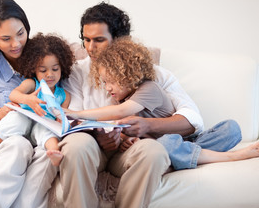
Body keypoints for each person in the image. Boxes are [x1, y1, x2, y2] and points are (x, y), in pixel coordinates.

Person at [59, 1, 242, 208]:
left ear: (120, 41)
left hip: (129, 149)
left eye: (99, 40)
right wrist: (98, 136)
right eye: (86, 40)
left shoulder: (150, 74)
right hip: (92, 146)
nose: (90, 48)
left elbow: (192, 119)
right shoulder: (77, 72)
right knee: (75, 146)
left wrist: (147, 126)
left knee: (156, 151)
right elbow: (74, 120)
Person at [67, 36, 259, 171]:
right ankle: (186, 157)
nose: (107, 88)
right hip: (164, 143)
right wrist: (129, 141)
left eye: (111, 81)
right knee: (164, 145)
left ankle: (228, 156)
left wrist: (76, 114)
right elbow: (142, 136)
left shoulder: (149, 89)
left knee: (231, 128)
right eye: (104, 82)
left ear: (129, 75)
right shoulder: (125, 97)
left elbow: (120, 112)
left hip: (185, 139)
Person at [0, 0, 57, 208]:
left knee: (48, 152)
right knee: (18, 146)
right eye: (6, 39)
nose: (16, 43)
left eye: (20, 33)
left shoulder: (40, 56)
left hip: (39, 131)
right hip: (5, 136)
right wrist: (1, 113)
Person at [0, 33, 74, 167]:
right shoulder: (32, 84)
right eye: (43, 70)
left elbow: (63, 113)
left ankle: (54, 152)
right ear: (34, 70)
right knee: (15, 119)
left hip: (44, 124)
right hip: (24, 121)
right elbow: (13, 95)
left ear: (62, 68)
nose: (49, 74)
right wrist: (27, 99)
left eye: (55, 69)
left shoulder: (64, 95)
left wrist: (61, 119)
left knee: (48, 132)